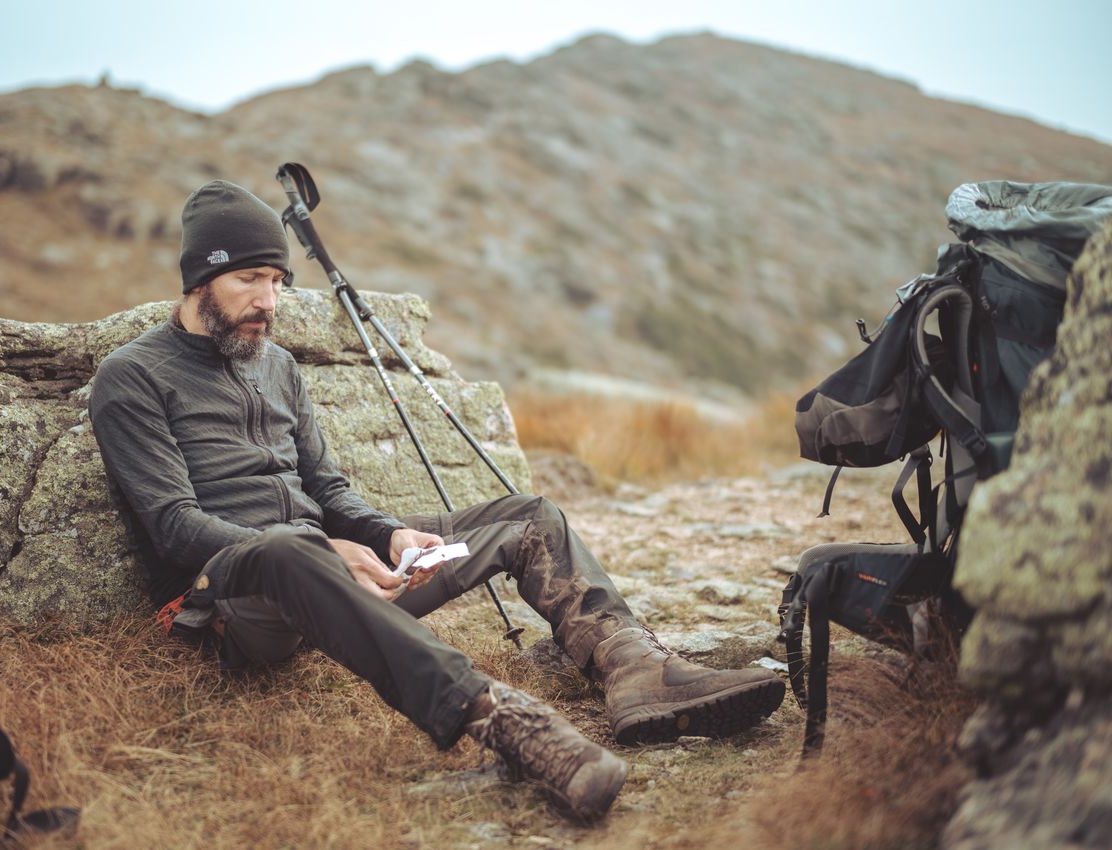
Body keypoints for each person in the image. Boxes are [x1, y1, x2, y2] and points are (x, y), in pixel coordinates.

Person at [88, 180, 785, 822]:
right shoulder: (133, 377)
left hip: (336, 574)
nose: (269, 301)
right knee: (287, 547)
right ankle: (507, 724)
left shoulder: (277, 366)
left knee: (528, 516)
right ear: (198, 279)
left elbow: (326, 491)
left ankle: (636, 673)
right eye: (249, 279)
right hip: (233, 603)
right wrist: (323, 550)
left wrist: (389, 536)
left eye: (276, 280)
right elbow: (175, 528)